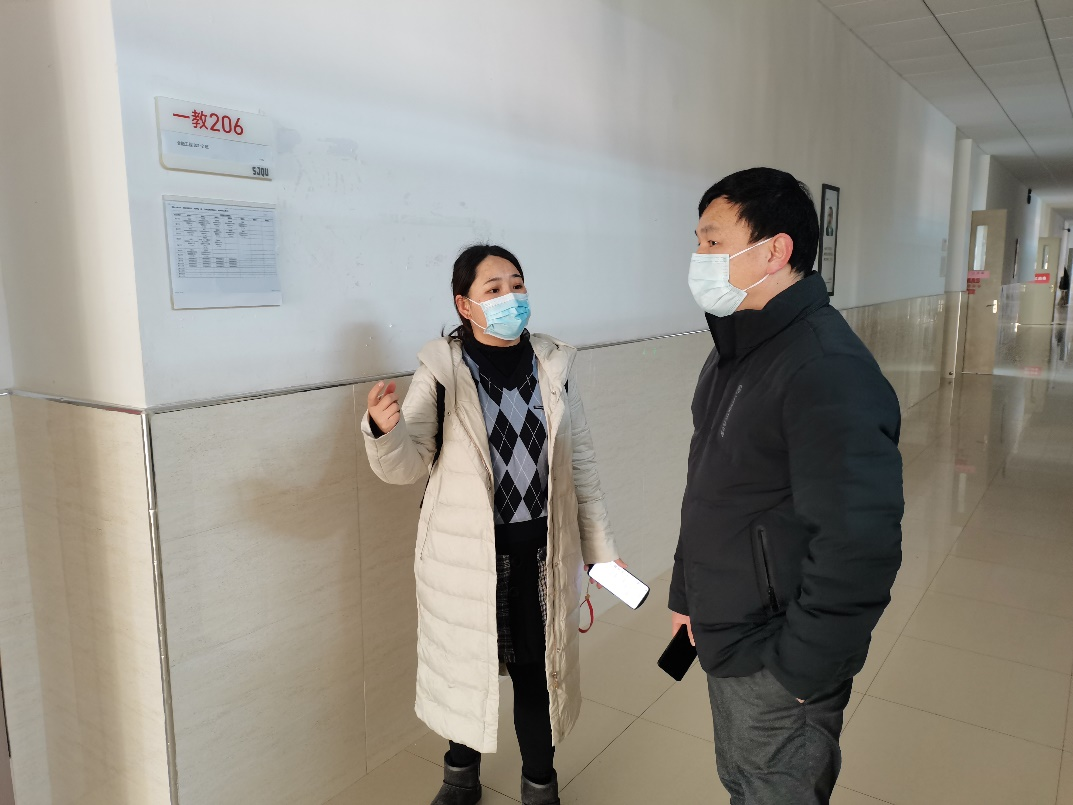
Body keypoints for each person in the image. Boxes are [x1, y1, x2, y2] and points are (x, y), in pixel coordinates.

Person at [669, 167, 903, 804]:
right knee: (744, 785)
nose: (699, 257)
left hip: (776, 654)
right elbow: (713, 488)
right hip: (726, 630)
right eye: (698, 242)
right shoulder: (734, 349)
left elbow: (860, 544)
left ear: (775, 250)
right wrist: (688, 593)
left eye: (713, 241)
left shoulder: (826, 367)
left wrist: (802, 668)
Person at [362, 244, 626, 805]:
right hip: (465, 556)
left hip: (540, 554)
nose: (511, 296)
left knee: (536, 672)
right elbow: (407, 466)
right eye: (494, 288)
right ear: (465, 304)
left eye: (517, 284)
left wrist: (601, 551)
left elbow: (580, 465)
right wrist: (383, 432)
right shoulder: (442, 371)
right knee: (466, 669)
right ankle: (460, 779)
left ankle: (540, 785)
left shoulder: (553, 365)